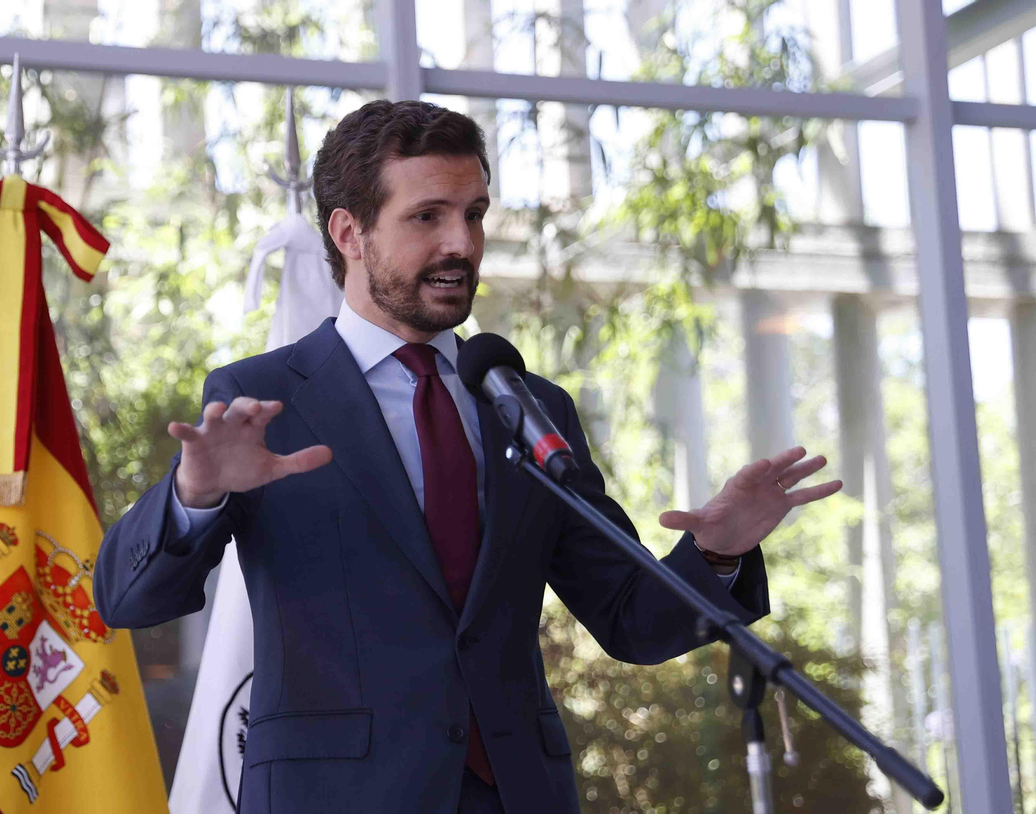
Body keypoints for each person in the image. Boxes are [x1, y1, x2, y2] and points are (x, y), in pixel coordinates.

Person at [92, 100, 840, 814]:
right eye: (427, 217)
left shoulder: (529, 404)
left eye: (474, 214)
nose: (463, 243)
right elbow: (127, 601)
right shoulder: (261, 399)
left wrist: (715, 550)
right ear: (350, 233)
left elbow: (630, 620)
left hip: (516, 796)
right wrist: (196, 493)